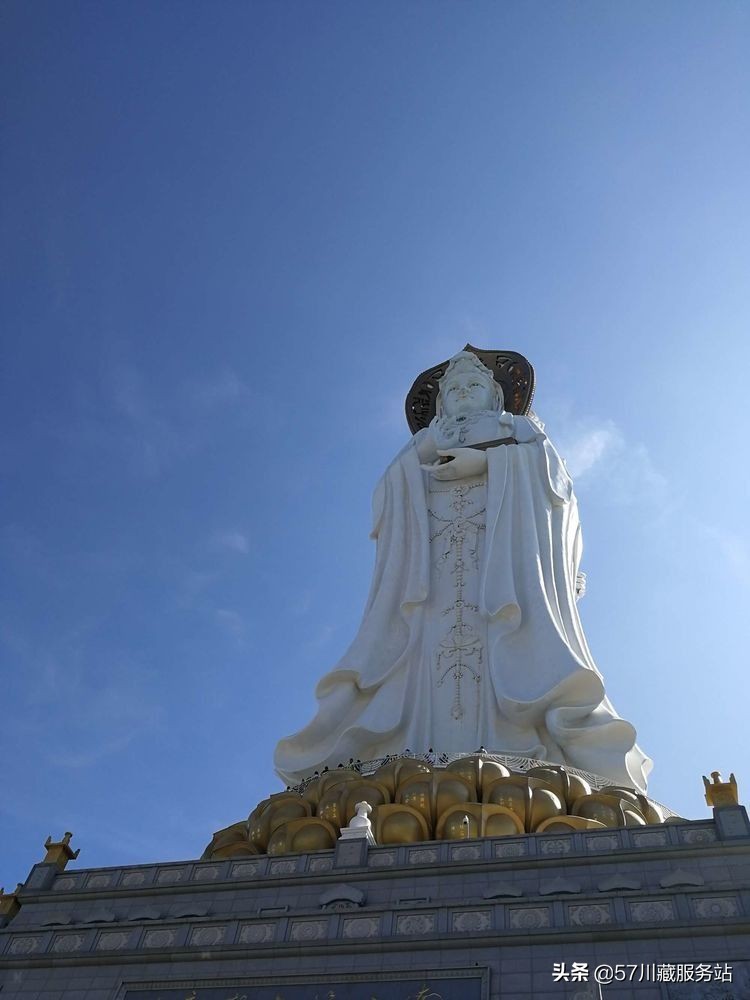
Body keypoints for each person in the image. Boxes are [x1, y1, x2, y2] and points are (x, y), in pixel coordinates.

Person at [275, 351, 651, 792]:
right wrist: (425, 462)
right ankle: (409, 763)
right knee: (421, 661)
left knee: (510, 658)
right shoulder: (419, 450)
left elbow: (558, 495)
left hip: (506, 579)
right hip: (430, 583)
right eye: (454, 391)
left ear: (495, 398)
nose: (463, 395)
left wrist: (491, 463)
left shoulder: (524, 436)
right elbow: (387, 497)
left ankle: (523, 763)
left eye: (473, 387)